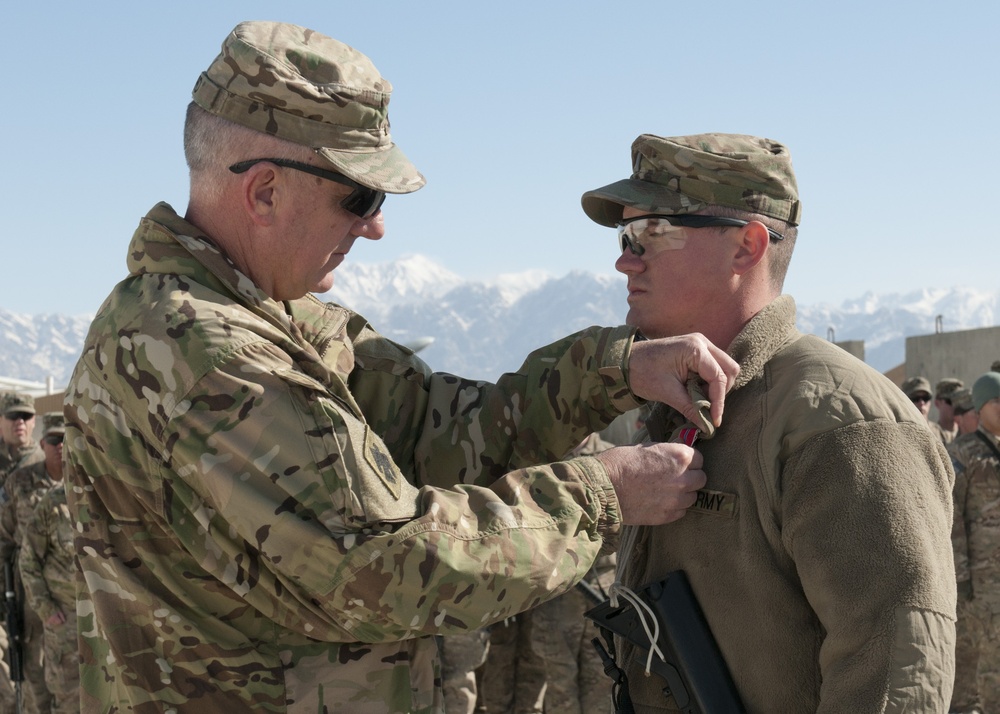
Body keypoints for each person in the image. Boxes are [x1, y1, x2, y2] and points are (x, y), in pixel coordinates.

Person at [63, 22, 740, 714]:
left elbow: (445, 432)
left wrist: (613, 370)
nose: (375, 227)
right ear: (264, 192)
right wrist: (599, 496)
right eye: (359, 197)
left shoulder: (285, 323)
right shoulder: (211, 356)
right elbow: (381, 569)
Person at [579, 132, 956, 712]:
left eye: (649, 232)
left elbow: (893, 673)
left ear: (747, 247)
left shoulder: (838, 422)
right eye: (627, 237)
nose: (624, 258)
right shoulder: (688, 403)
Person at [18, 414, 77, 714]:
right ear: (43, 444)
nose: (62, 446)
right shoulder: (52, 503)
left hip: (103, 622)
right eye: (54, 440)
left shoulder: (103, 497)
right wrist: (47, 610)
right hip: (64, 622)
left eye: (67, 440)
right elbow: (27, 560)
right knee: (66, 698)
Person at [952, 372, 1000, 713]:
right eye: (997, 403)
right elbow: (951, 518)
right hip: (978, 582)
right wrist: (961, 575)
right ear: (981, 408)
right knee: (980, 662)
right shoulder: (964, 453)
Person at [0, 393, 44, 713]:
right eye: (13, 416)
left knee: (33, 664)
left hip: (29, 585)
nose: (21, 423)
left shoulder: (43, 468)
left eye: (26, 417)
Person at [934, 378, 964, 444]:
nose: (955, 406)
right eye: (950, 401)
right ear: (937, 403)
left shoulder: (967, 431)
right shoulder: (932, 435)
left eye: (958, 401)